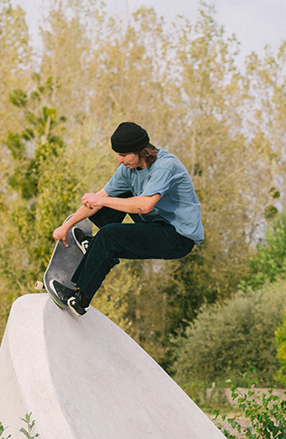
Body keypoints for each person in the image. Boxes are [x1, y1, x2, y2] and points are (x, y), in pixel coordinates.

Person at [49, 121, 204, 316]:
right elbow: (100, 197)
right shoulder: (128, 170)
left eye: (123, 155)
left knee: (110, 236)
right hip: (155, 223)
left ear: (139, 150)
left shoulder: (165, 167)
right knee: (118, 196)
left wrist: (102, 202)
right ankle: (93, 244)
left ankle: (79, 301)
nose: (119, 160)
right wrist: (67, 225)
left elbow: (145, 205)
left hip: (178, 237)